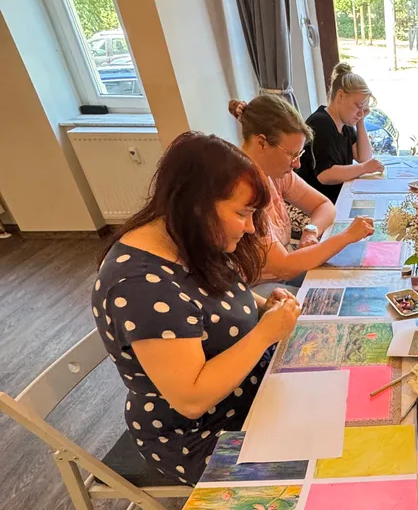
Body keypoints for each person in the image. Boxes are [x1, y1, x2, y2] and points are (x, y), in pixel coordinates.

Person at [91, 132, 303, 485]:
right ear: (196, 204)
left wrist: (265, 307)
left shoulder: (189, 238)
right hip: (197, 434)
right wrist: (265, 333)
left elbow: (220, 298)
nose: (250, 227)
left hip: (248, 395)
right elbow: (191, 398)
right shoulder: (140, 285)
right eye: (242, 213)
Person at [229, 95, 374, 283]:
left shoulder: (275, 172)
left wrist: (311, 230)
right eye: (292, 154)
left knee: (357, 273)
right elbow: (285, 267)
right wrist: (347, 236)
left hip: (286, 269)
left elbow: (323, 205)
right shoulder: (242, 189)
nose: (297, 164)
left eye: (300, 154)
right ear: (261, 143)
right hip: (262, 285)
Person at [297, 63, 384, 203]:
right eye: (358, 106)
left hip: (335, 196)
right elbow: (325, 175)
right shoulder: (320, 123)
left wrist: (360, 122)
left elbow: (364, 157)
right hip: (316, 202)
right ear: (340, 96)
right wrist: (362, 168)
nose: (360, 113)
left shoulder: (345, 124)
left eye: (364, 109)